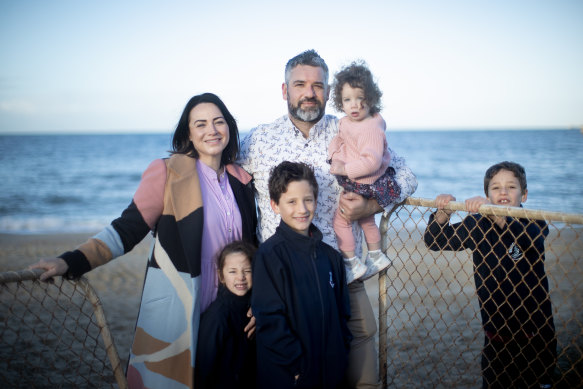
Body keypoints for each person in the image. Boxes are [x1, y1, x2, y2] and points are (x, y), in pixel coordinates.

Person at [29, 93, 258, 389]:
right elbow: (127, 228)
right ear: (188, 133)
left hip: (235, 308)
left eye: (218, 121)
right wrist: (71, 261)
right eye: (200, 124)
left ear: (229, 127)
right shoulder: (169, 173)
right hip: (184, 305)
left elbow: (254, 248)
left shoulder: (242, 180)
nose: (211, 130)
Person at [238, 49, 417, 388]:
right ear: (284, 90)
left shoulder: (351, 128)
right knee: (289, 360)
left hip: (342, 267)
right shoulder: (259, 140)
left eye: (318, 85)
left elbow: (406, 175)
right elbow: (223, 176)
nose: (309, 93)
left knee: (360, 341)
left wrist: (370, 207)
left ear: (328, 90)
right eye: (300, 84)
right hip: (282, 278)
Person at [423, 161, 556, 388]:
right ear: (487, 195)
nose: (503, 192)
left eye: (511, 187)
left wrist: (499, 215)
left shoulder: (534, 220)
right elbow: (435, 241)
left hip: (534, 333)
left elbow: (530, 239)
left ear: (524, 195)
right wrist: (443, 213)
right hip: (495, 333)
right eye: (495, 188)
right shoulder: (478, 223)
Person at [252, 161, 352, 388]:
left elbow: (343, 315)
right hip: (292, 376)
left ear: (316, 201)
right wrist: (296, 367)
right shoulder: (269, 256)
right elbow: (270, 320)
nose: (302, 209)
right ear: (275, 205)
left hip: (332, 372)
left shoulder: (331, 258)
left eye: (308, 200)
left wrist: (340, 355)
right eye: (291, 202)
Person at [328, 61, 401, 283]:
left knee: (342, 220)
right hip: (363, 180)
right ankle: (375, 256)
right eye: (348, 100)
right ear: (340, 102)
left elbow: (370, 162)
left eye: (361, 99)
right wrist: (334, 155)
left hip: (364, 180)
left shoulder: (370, 127)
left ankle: (351, 263)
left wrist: (345, 169)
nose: (355, 105)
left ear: (372, 98)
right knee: (367, 221)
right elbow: (340, 139)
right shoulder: (347, 122)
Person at [195, 240, 257, 389]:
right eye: (232, 271)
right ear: (221, 276)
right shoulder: (216, 317)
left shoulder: (256, 309)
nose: (241, 277)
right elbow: (203, 370)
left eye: (247, 271)